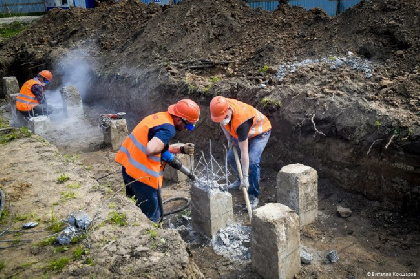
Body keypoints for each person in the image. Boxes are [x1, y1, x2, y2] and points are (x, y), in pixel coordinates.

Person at [115, 99, 200, 223]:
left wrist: (179, 149)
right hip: (144, 178)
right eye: (188, 125)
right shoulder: (168, 129)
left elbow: (154, 145)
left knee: (134, 209)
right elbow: (151, 149)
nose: (187, 128)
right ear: (178, 119)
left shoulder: (160, 117)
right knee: (153, 217)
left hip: (129, 169)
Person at [210, 96, 271, 209]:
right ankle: (239, 180)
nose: (223, 120)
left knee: (252, 161)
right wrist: (229, 138)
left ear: (228, 110)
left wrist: (246, 177)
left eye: (224, 117)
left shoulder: (241, 122)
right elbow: (222, 123)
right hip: (242, 133)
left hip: (260, 133)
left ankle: (253, 195)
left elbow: (244, 153)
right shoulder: (221, 107)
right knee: (232, 157)